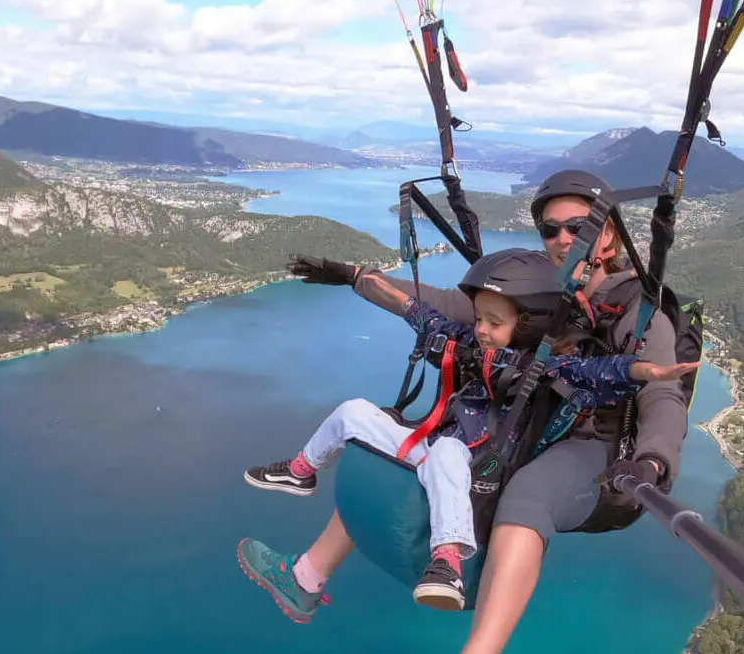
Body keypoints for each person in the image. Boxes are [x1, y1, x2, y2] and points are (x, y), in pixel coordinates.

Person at [242, 169, 690, 654]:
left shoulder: (639, 307)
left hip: (592, 447)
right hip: (524, 418)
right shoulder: (546, 284)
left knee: (526, 497)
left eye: (576, 227)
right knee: (408, 445)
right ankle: (306, 577)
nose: (560, 238)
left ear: (608, 234)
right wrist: (360, 279)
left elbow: (659, 391)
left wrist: (652, 463)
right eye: (550, 227)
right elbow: (455, 306)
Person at [238, 246, 700, 613]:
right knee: (354, 411)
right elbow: (418, 310)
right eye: (479, 319)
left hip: (469, 463)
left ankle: (448, 561)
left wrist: (646, 373)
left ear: (525, 325)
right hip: (433, 447)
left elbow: (598, 374)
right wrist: (355, 278)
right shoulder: (469, 341)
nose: (480, 329)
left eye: (494, 323)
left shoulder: (541, 368)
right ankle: (301, 470)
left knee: (447, 454)